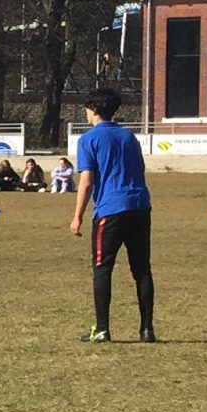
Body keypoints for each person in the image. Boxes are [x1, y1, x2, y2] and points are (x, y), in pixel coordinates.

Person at [71, 86, 154, 343]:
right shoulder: (129, 137)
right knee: (141, 269)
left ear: (94, 110)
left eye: (86, 108)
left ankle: (103, 329)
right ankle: (147, 329)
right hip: (140, 206)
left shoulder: (89, 139)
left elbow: (86, 181)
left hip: (110, 209)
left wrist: (78, 216)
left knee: (102, 267)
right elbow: (140, 170)